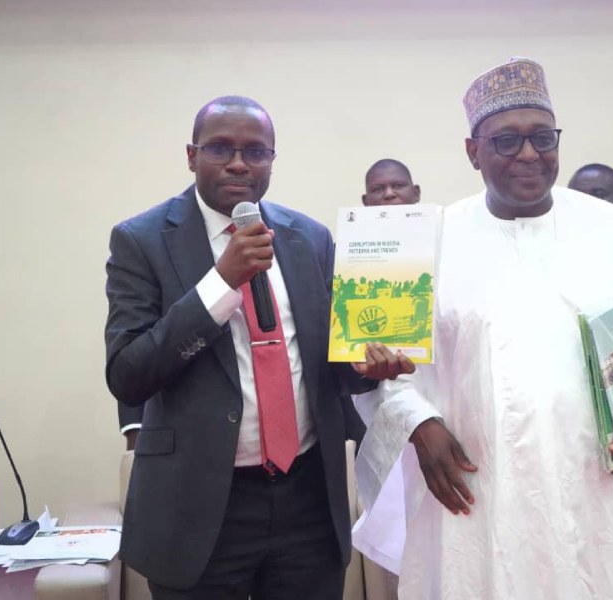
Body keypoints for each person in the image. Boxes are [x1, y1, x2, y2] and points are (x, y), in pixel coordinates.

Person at [353, 58, 613, 599]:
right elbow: (390, 368)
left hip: (607, 489)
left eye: (542, 137)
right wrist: (418, 422)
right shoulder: (425, 240)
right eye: (505, 140)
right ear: (472, 151)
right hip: (483, 490)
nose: (529, 154)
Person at [104, 95, 409, 599]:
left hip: (307, 498)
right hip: (197, 505)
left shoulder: (309, 237)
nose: (240, 163)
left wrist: (366, 367)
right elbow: (128, 373)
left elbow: (333, 365)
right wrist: (220, 284)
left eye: (256, 151)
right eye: (221, 148)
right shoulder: (142, 240)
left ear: (272, 158)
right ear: (190, 155)